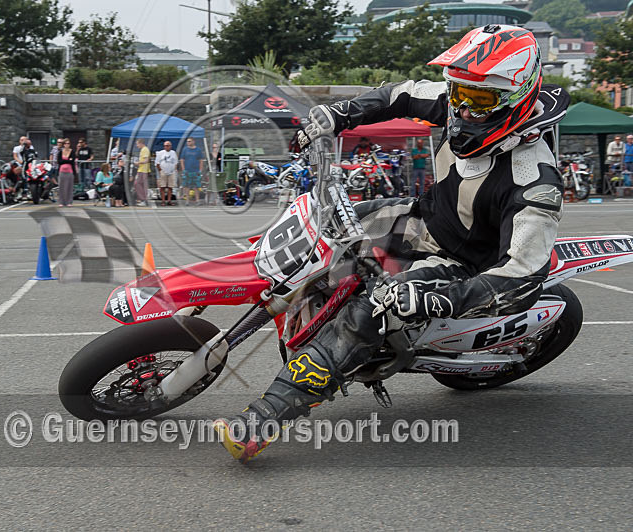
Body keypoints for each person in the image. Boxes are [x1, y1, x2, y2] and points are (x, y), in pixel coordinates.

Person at [215, 24, 570, 463]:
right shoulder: (462, 99)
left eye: (476, 102)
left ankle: (267, 416)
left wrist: (441, 300)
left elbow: (523, 274)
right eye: (456, 93)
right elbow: (396, 94)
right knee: (323, 228)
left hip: (461, 262)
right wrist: (339, 114)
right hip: (423, 215)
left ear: (518, 96)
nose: (460, 109)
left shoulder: (534, 181)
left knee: (371, 310)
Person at [180, 137, 205, 204]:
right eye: (187, 141)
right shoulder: (185, 149)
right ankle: (187, 201)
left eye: (189, 141)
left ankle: (197, 200)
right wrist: (183, 170)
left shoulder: (198, 150)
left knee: (196, 186)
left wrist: (200, 170)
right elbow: (182, 160)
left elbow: (201, 160)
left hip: (196, 170)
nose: (188, 143)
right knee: (187, 186)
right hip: (187, 170)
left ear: (193, 141)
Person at [57, 138, 76, 206]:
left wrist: (65, 160)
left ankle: (69, 202)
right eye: (65, 143)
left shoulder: (72, 151)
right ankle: (61, 202)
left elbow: (72, 160)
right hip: (62, 171)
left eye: (68, 143)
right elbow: (59, 161)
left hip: (70, 171)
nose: (67, 145)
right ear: (63, 144)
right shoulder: (60, 152)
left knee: (69, 187)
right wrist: (68, 160)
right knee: (61, 187)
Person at [134, 138, 151, 206]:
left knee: (137, 183)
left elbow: (146, 160)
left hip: (143, 170)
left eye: (137, 144)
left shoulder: (145, 149)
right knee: (141, 184)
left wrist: (138, 163)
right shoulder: (144, 149)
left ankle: (143, 199)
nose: (137, 145)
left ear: (141, 143)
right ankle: (144, 199)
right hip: (142, 169)